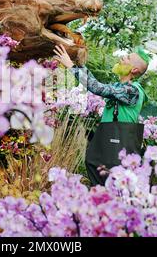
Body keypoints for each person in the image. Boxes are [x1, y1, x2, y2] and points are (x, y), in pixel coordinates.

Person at [53, 44, 150, 184]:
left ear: (134, 69)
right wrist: (77, 63)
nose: (122, 57)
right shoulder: (119, 87)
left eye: (127, 58)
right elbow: (97, 85)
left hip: (119, 143)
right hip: (110, 139)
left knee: (111, 178)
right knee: (95, 167)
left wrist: (70, 66)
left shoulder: (132, 91)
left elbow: (97, 87)